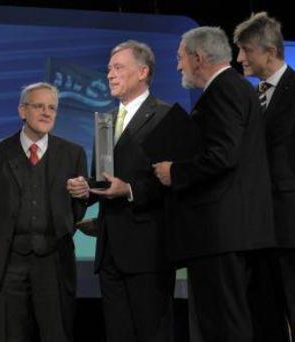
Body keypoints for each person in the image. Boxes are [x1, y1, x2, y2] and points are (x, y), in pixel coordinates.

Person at [153, 27, 275, 342]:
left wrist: (175, 172)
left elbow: (223, 154)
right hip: (228, 233)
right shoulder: (235, 88)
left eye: (181, 58)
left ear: (199, 58)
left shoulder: (225, 90)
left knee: (223, 324)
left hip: (222, 234)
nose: (178, 66)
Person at [67, 40, 178, 342]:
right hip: (110, 251)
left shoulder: (166, 116)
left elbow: (177, 180)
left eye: (118, 68)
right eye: (108, 70)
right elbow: (103, 179)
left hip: (149, 250)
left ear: (143, 72)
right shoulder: (105, 120)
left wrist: (129, 190)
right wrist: (85, 188)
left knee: (153, 332)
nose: (110, 75)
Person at [0, 82, 87, 342]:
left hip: (55, 262)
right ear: (22, 111)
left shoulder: (73, 154)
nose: (47, 113)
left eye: (52, 108)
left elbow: (77, 209)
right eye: (39, 106)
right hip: (10, 262)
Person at [234, 12, 295, 340]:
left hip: (290, 231)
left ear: (270, 51)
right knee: (265, 318)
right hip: (258, 231)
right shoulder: (251, 96)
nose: (240, 57)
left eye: (246, 50)